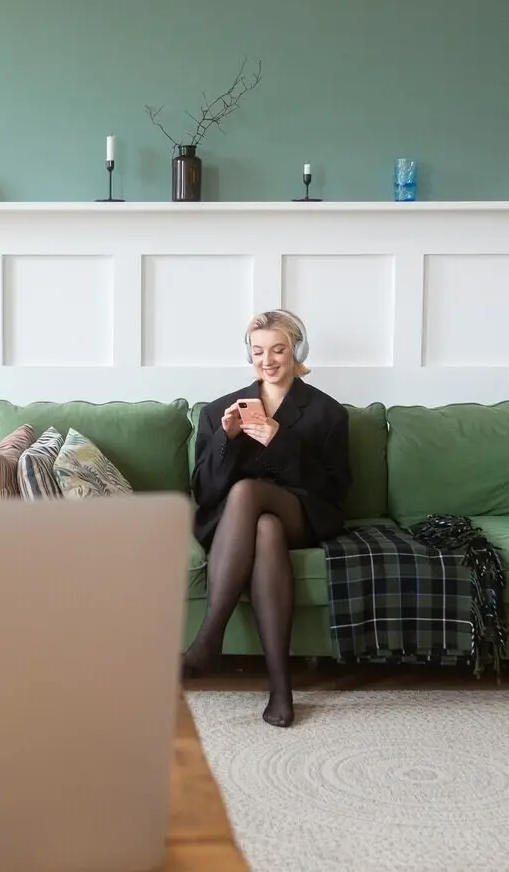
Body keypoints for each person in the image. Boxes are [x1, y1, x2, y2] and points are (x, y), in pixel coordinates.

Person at [184, 309, 352, 728]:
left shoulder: (327, 412)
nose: (268, 360)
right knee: (264, 527)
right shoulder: (221, 410)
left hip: (305, 511)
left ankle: (208, 640)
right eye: (258, 351)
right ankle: (281, 687)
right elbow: (204, 492)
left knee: (253, 495)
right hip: (237, 524)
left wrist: (282, 442)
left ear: (298, 351)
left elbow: (334, 489)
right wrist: (226, 439)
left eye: (278, 349)